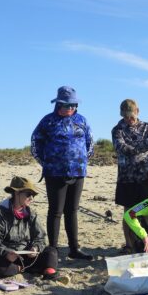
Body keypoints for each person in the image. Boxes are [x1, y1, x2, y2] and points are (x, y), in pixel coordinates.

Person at [31, 86, 94, 261]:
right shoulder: (48, 121)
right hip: (54, 173)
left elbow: (90, 143)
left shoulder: (82, 120)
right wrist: (48, 163)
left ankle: (74, 249)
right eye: (66, 105)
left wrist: (82, 161)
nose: (69, 108)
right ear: (58, 104)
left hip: (78, 172)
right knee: (56, 211)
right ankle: (53, 250)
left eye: (73, 105)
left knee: (72, 210)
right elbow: (36, 143)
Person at [0, 176, 58, 280]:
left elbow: (40, 237)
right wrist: (6, 253)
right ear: (16, 193)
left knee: (51, 251)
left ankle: (49, 273)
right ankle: (22, 268)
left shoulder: (31, 214)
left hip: (25, 254)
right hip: (5, 257)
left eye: (33, 195)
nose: (31, 198)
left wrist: (35, 248)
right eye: (28, 194)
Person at [111, 99, 148, 252]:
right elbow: (121, 147)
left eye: (131, 116)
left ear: (137, 111)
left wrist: (133, 148)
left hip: (146, 177)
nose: (129, 120)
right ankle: (129, 244)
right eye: (125, 117)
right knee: (128, 212)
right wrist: (140, 147)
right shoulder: (117, 130)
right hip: (127, 178)